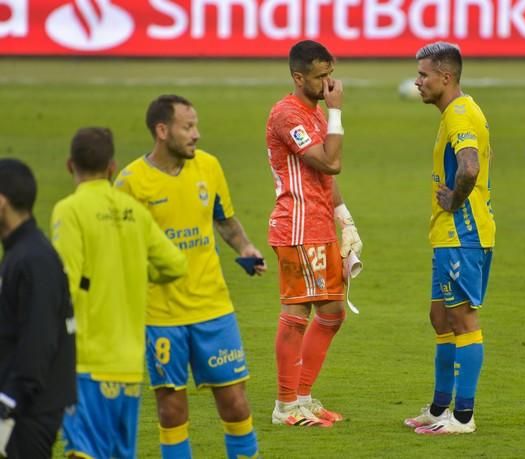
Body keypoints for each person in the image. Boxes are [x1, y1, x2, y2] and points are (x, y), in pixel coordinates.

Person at [114, 94, 265, 459]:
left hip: (213, 307)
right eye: (188, 127)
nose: (196, 134)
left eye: (196, 125)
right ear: (162, 131)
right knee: (171, 409)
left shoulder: (209, 167)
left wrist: (245, 247)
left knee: (235, 403)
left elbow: (224, 220)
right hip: (161, 315)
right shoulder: (131, 183)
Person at [51, 127, 187, 459]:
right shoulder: (135, 213)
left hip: (86, 359)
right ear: (112, 167)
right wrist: (140, 270)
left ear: (71, 166)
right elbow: (175, 264)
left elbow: (64, 284)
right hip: (128, 364)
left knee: (82, 451)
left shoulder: (69, 210)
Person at [266, 39, 363, 427]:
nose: (329, 85)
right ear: (298, 76)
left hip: (321, 225)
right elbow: (331, 161)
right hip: (298, 226)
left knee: (333, 312)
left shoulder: (316, 115)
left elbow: (325, 175)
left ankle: (303, 398)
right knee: (297, 312)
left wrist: (346, 220)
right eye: (322, 77)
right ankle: (286, 405)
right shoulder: (287, 115)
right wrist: (337, 112)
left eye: (331, 76)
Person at [403, 41, 495, 435]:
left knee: (461, 317)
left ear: (446, 77)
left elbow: (469, 168)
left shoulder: (459, 114)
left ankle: (462, 417)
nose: (417, 81)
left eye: (423, 75)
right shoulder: (455, 112)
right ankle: (441, 407)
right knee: (440, 316)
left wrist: (456, 199)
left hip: (463, 232)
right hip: (449, 233)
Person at [0, 159, 76, 459]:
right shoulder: (19, 253)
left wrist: (8, 402)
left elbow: (39, 339)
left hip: (27, 410)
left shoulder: (33, 259)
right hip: (20, 404)